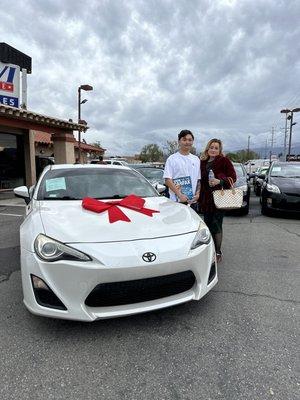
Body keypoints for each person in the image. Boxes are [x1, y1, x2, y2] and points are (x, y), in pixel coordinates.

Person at [199, 138, 236, 263]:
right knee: (208, 225)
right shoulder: (202, 162)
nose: (213, 150)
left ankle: (218, 252)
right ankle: (210, 250)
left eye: (216, 148)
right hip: (206, 199)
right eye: (211, 147)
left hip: (219, 199)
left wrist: (219, 181)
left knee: (216, 225)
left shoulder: (224, 161)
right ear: (207, 149)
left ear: (220, 150)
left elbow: (233, 177)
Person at [163, 130, 200, 208]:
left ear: (192, 142)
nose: (187, 142)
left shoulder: (196, 159)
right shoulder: (172, 159)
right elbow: (167, 180)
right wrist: (179, 195)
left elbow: (198, 180)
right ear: (179, 141)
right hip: (176, 201)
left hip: (192, 202)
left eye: (190, 140)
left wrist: (198, 193)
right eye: (184, 139)